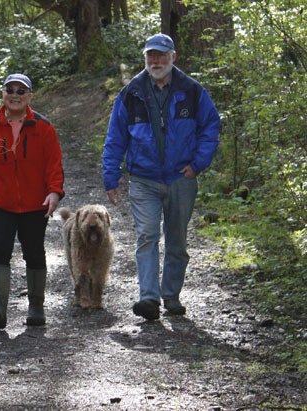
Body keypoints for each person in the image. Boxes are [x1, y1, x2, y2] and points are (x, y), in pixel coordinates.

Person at [102, 33, 220, 320]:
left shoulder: (192, 90)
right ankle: (149, 298)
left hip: (182, 177)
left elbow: (210, 126)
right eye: (150, 56)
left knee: (177, 240)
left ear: (173, 57)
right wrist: (111, 176)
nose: (155, 61)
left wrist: (198, 164)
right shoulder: (131, 93)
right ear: (145, 58)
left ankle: (171, 296)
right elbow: (115, 137)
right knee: (147, 236)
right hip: (143, 179)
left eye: (161, 55)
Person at [0, 73, 65, 329]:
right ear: (3, 94)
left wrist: (55, 192)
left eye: (21, 91)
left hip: (35, 203)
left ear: (29, 97)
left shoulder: (44, 127)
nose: (15, 95)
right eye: (10, 90)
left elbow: (54, 165)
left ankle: (36, 307)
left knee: (34, 252)